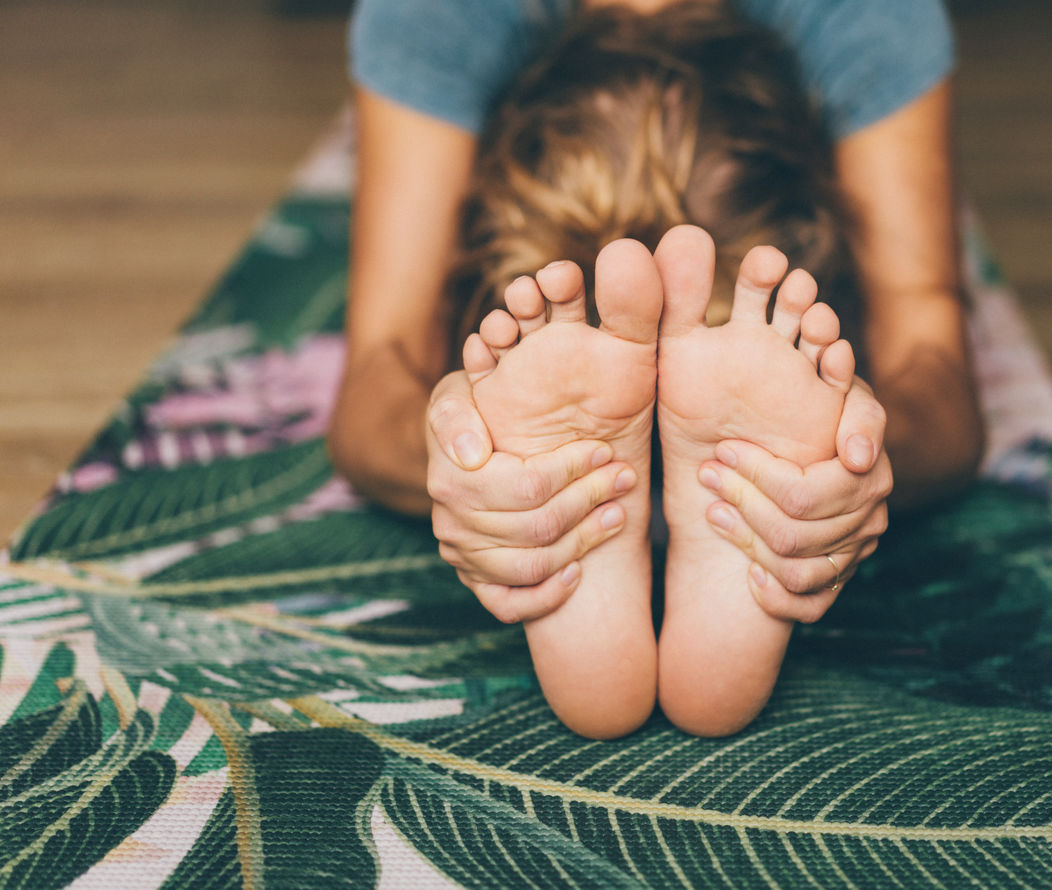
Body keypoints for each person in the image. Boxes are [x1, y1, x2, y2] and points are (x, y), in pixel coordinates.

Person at [329, 0, 985, 739]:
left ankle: (602, 464)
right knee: (752, 303)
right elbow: (925, 337)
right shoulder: (434, 16)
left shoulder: (869, 16)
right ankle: (713, 464)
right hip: (736, 317)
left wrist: (852, 466)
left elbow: (386, 355)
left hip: (547, 271)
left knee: (544, 304)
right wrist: (466, 462)